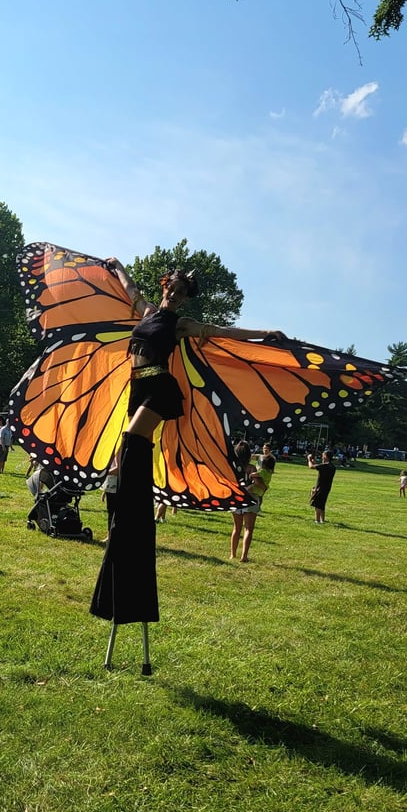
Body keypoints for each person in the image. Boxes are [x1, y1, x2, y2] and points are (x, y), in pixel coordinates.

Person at [90, 258, 285, 624]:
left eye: (181, 293)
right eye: (172, 289)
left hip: (160, 388)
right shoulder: (146, 310)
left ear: (184, 298)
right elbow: (130, 289)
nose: (175, 295)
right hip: (137, 388)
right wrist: (116, 266)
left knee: (132, 440)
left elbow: (225, 331)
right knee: (125, 447)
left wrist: (263, 333)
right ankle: (124, 507)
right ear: (164, 286)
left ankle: (136, 504)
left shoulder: (180, 325)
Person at [231, 444, 276, 562]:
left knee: (236, 528)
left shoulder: (232, 467)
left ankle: (233, 554)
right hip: (250, 498)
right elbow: (259, 484)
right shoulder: (251, 468)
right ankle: (244, 556)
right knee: (248, 529)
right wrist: (265, 488)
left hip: (236, 497)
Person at [307, 449, 336, 523]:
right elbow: (319, 467)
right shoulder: (332, 466)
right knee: (322, 504)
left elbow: (311, 467)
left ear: (326, 456)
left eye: (323, 455)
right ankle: (322, 520)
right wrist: (314, 462)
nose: (322, 457)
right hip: (327, 487)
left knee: (317, 504)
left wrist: (309, 459)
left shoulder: (324, 466)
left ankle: (317, 521)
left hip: (320, 487)